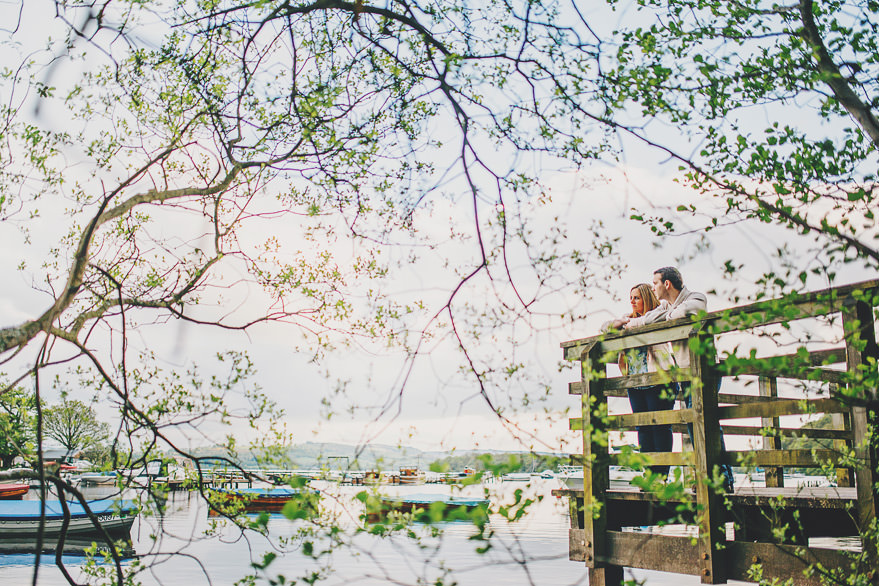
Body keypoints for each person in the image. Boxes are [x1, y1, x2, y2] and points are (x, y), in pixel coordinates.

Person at [622, 267, 735, 493]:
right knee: (694, 425)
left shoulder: (696, 298)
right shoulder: (665, 307)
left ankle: (722, 478)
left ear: (667, 284)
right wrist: (627, 323)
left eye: (655, 283)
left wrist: (669, 315)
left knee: (707, 423)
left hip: (704, 370)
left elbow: (688, 311)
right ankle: (709, 476)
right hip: (685, 372)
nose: (653, 288)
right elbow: (647, 320)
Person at [603, 284, 674, 479]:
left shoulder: (656, 316)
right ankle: (648, 473)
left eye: (636, 298)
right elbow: (604, 328)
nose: (632, 302)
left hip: (658, 379)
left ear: (646, 298)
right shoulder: (628, 320)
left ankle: (662, 475)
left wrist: (629, 325)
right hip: (635, 381)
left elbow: (662, 316)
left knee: (659, 426)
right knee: (642, 427)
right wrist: (619, 322)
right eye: (631, 297)